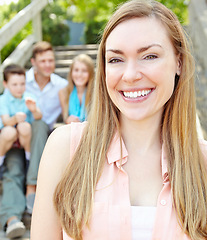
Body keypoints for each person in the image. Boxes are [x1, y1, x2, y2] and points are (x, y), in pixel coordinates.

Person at [31, 0, 207, 239]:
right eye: (115, 59)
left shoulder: (203, 164)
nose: (131, 75)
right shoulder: (65, 148)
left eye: (149, 56)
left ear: (178, 61)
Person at [0, 41, 67, 239]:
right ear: (33, 62)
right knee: (13, 168)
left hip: (39, 140)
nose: (48, 65)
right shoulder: (21, 80)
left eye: (51, 60)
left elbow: (63, 113)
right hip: (16, 139)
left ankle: (33, 185)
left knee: (39, 124)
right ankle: (12, 219)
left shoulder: (61, 86)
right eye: (43, 61)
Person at [0, 64, 42, 173]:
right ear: (5, 84)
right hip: (7, 137)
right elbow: (5, 122)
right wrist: (15, 118)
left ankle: (29, 159)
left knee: (24, 126)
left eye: (22, 84)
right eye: (14, 84)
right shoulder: (3, 100)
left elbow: (39, 116)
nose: (19, 88)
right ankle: (0, 160)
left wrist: (34, 110)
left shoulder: (29, 97)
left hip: (25, 137)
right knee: (9, 131)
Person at [59, 54, 94, 124]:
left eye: (84, 71)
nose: (79, 74)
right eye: (76, 70)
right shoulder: (63, 92)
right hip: (72, 130)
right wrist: (68, 120)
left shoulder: (96, 93)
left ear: (90, 73)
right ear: (71, 72)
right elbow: (65, 118)